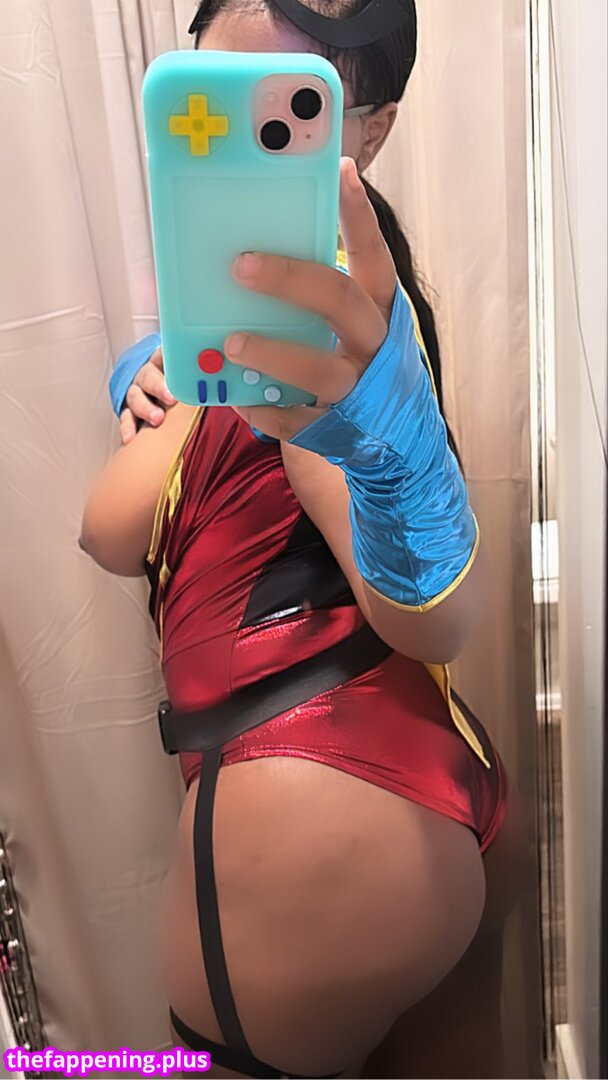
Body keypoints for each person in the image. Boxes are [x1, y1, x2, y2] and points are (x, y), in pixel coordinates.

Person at [80, 2, 523, 1077]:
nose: (236, 137)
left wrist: (171, 404)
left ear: (367, 130)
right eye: (210, 96)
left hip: (307, 812)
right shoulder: (355, 310)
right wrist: (167, 370)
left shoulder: (311, 333)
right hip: (414, 790)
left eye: (282, 108)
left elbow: (109, 530)